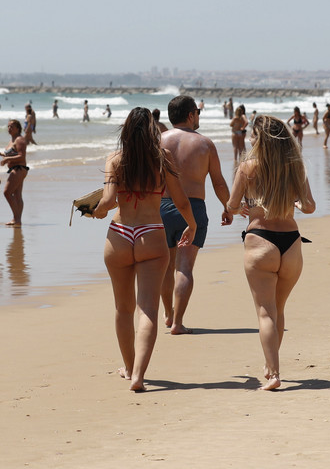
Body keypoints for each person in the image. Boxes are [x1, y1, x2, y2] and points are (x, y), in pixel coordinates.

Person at [90, 107, 197, 391]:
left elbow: (109, 200)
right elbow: (182, 200)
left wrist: (95, 210)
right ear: (152, 130)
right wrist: (192, 226)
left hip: (121, 234)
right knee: (147, 310)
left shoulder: (115, 159)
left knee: (122, 309)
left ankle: (127, 367)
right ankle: (138, 376)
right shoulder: (162, 158)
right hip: (151, 232)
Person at [226, 115, 316, 391]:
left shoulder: (248, 168)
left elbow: (231, 205)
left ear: (260, 138)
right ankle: (270, 363)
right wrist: (295, 203)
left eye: (253, 135)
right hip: (291, 242)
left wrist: (242, 206)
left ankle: (274, 373)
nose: (250, 139)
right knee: (278, 309)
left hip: (260, 241)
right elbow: (310, 206)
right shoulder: (295, 168)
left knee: (266, 313)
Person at [159, 96, 233, 335]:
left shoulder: (158, 142)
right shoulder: (205, 144)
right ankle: (178, 322)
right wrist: (228, 207)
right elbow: (218, 182)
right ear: (191, 115)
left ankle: (168, 314)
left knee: (165, 267)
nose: (198, 117)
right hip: (192, 208)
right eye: (197, 113)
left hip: (161, 207)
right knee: (184, 267)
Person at [0, 119, 29, 226]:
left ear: (18, 129)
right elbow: (10, 154)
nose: (9, 128)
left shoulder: (20, 140)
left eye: (12, 127)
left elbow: (21, 156)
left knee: (7, 193)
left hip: (19, 169)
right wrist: (0, 154)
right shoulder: (12, 140)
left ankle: (17, 218)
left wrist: (6, 160)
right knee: (17, 195)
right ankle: (17, 219)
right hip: (16, 169)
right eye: (8, 126)